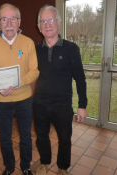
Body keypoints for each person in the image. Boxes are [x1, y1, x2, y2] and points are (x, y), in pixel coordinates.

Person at [0, 3, 39, 175]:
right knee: (5, 138)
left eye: (13, 18)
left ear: (19, 21)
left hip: (24, 99)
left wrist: (19, 83)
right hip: (1, 100)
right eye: (4, 19)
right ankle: (9, 167)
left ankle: (26, 166)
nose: (8, 23)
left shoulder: (28, 43)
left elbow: (34, 70)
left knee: (26, 136)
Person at [33, 5, 88, 175]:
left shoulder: (71, 49)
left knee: (65, 139)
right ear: (39, 27)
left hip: (63, 106)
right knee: (42, 137)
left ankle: (63, 167)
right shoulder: (35, 50)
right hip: (40, 104)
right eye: (43, 21)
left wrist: (82, 105)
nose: (47, 24)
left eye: (51, 20)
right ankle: (44, 163)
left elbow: (80, 78)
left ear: (58, 23)